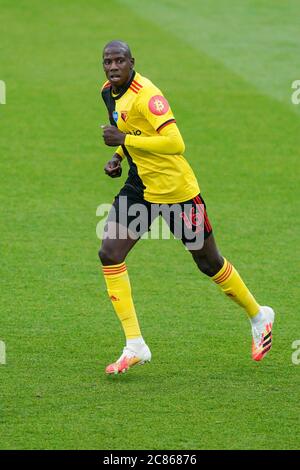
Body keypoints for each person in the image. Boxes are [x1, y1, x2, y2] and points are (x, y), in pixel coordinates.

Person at [99, 40, 275, 375]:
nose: (112, 67)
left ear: (132, 62)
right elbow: (130, 128)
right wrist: (118, 157)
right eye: (107, 61)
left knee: (209, 262)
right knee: (109, 253)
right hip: (141, 188)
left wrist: (125, 142)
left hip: (177, 192)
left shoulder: (149, 95)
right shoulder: (108, 91)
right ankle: (135, 344)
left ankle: (259, 315)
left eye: (119, 61)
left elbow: (176, 142)